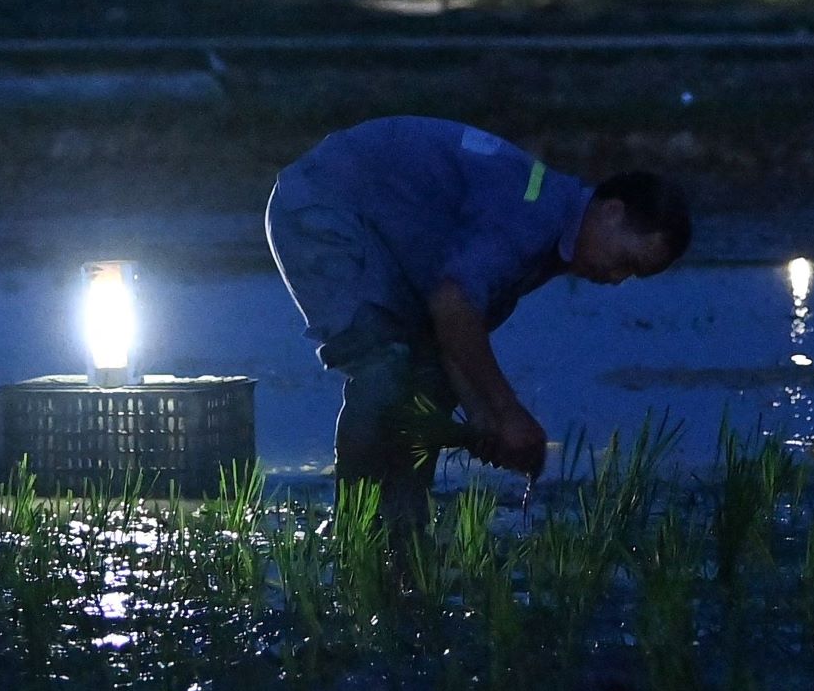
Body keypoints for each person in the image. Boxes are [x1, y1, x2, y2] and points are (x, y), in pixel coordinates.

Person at [265, 117, 691, 529]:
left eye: (632, 276)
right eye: (626, 261)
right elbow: (453, 307)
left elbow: (449, 336)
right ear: (611, 211)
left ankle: (403, 525)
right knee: (383, 367)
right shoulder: (533, 211)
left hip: (388, 238)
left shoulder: (545, 243)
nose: (616, 279)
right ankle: (356, 532)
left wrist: (484, 419)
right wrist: (508, 412)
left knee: (429, 380)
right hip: (325, 203)